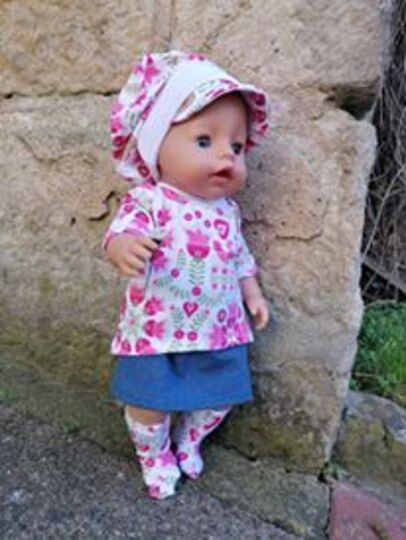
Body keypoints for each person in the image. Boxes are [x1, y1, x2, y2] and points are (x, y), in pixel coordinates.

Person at [104, 51, 270, 499]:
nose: (226, 154)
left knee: (221, 396)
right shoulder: (151, 199)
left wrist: (252, 293)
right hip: (157, 329)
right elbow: (119, 232)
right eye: (204, 140)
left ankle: (189, 438)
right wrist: (123, 247)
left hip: (219, 328)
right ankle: (154, 453)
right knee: (149, 401)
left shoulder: (227, 211)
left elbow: (239, 257)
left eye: (237, 147)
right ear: (156, 144)